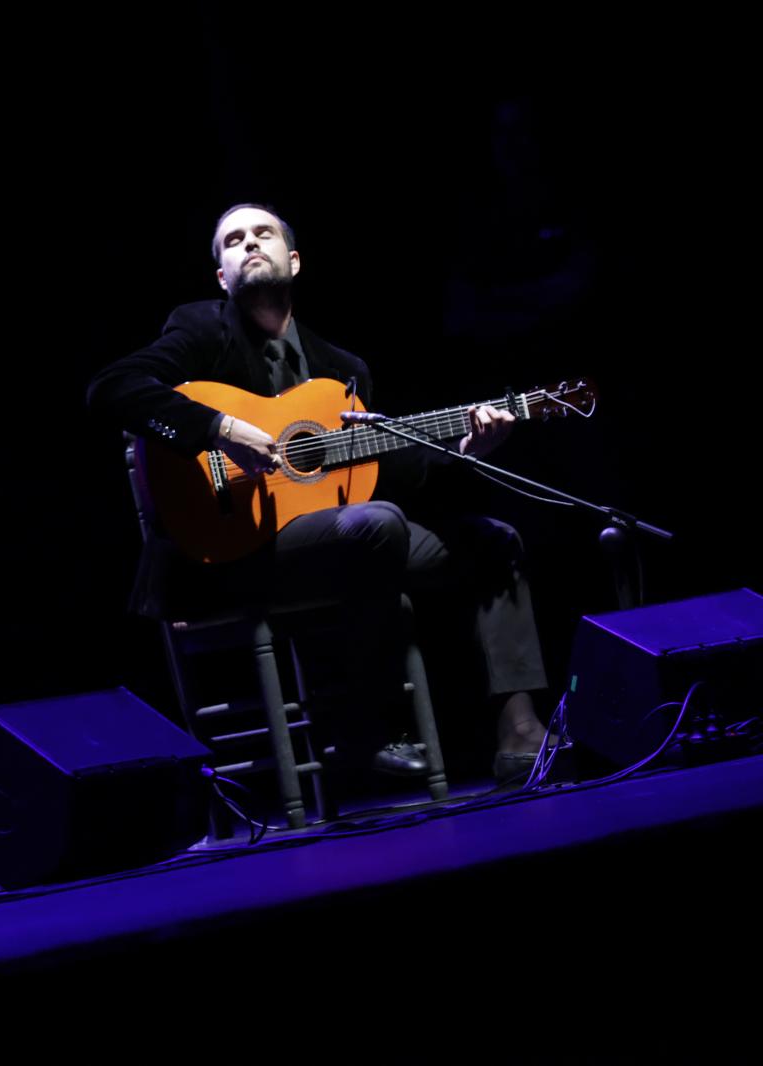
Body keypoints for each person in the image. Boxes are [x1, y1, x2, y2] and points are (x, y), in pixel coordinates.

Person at [88, 204, 552, 782]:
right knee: (375, 525)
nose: (250, 244)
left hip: (336, 547)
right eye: (233, 240)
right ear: (222, 276)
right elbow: (110, 389)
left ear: (295, 260)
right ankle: (362, 729)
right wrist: (220, 430)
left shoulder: (342, 369)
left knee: (493, 540)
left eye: (264, 233)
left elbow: (388, 470)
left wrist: (465, 446)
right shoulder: (200, 330)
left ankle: (520, 731)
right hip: (229, 553)